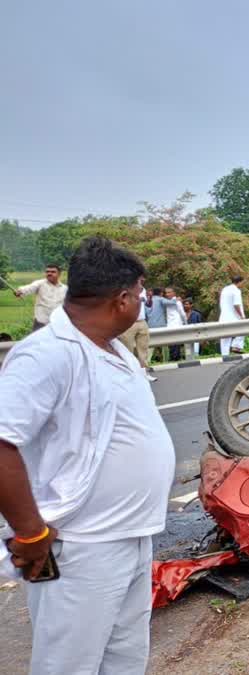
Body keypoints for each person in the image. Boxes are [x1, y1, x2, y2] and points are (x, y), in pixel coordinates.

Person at [0, 237, 174, 674]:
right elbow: (2, 440)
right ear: (121, 299)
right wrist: (29, 533)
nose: (142, 301)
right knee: (69, 665)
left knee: (124, 661)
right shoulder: (46, 354)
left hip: (132, 537)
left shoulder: (112, 348)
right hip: (81, 547)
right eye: (139, 293)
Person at [12, 264, 67, 332]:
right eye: (47, 271)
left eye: (53, 272)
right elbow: (29, 288)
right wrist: (20, 291)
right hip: (41, 322)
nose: (49, 273)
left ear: (59, 274)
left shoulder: (65, 288)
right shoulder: (40, 283)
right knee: (37, 342)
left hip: (58, 323)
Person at [118, 285, 154, 381]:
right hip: (128, 322)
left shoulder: (143, 289)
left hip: (142, 321)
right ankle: (129, 374)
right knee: (127, 350)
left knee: (143, 349)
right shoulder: (124, 288)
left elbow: (148, 305)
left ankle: (145, 373)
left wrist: (150, 298)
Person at [218, 275, 246, 356]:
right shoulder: (236, 291)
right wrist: (241, 316)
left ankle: (225, 355)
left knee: (225, 337)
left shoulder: (225, 289)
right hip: (233, 317)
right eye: (243, 283)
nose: (243, 285)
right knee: (244, 328)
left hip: (223, 317)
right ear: (240, 282)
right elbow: (236, 304)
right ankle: (236, 346)